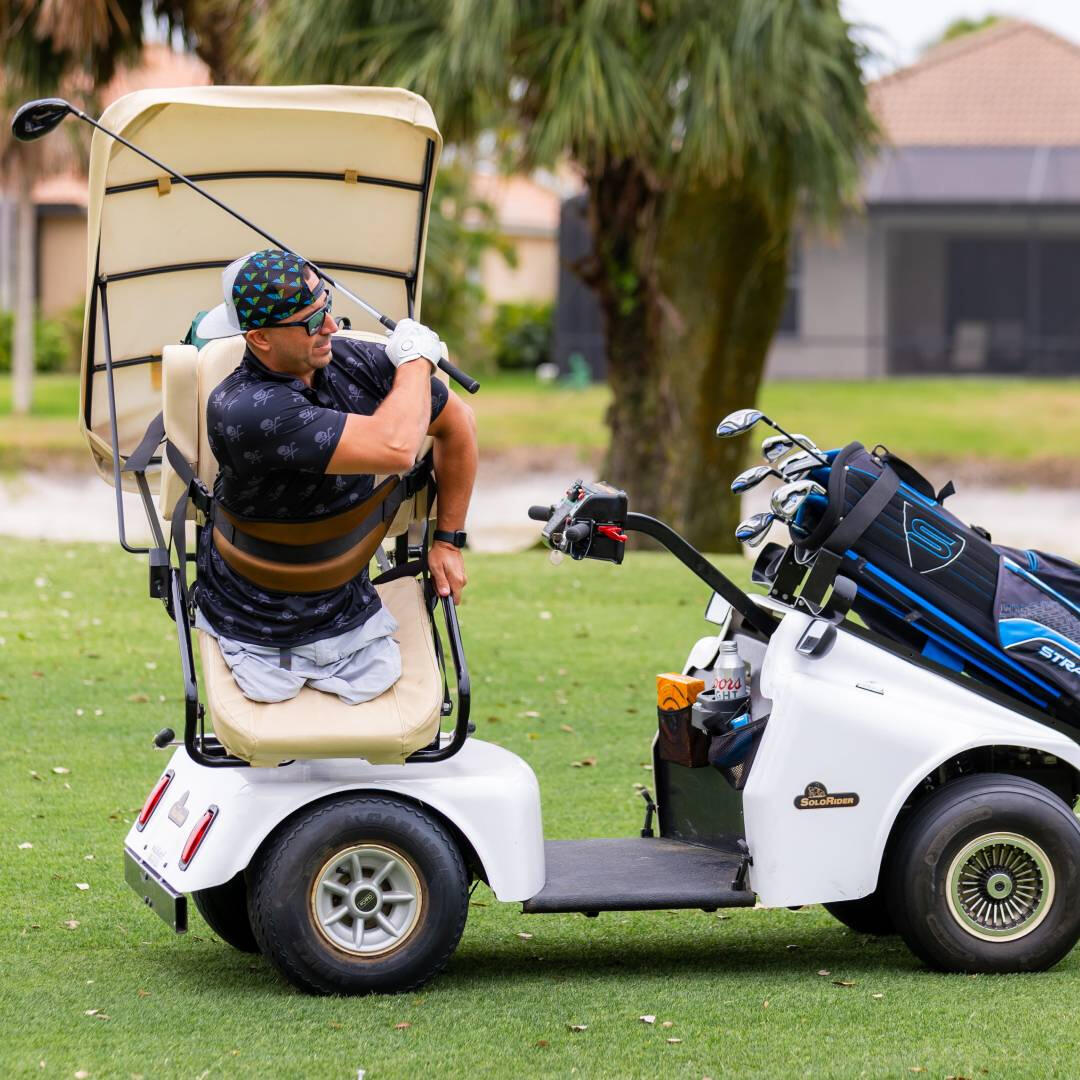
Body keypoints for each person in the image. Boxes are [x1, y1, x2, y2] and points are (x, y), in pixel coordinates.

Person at [190, 248, 477, 705]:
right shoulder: (245, 409)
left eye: (327, 307)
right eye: (310, 321)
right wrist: (418, 363)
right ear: (260, 338)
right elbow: (396, 447)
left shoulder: (348, 363)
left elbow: (457, 424)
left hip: (349, 606)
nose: (329, 327)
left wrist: (447, 540)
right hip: (252, 621)